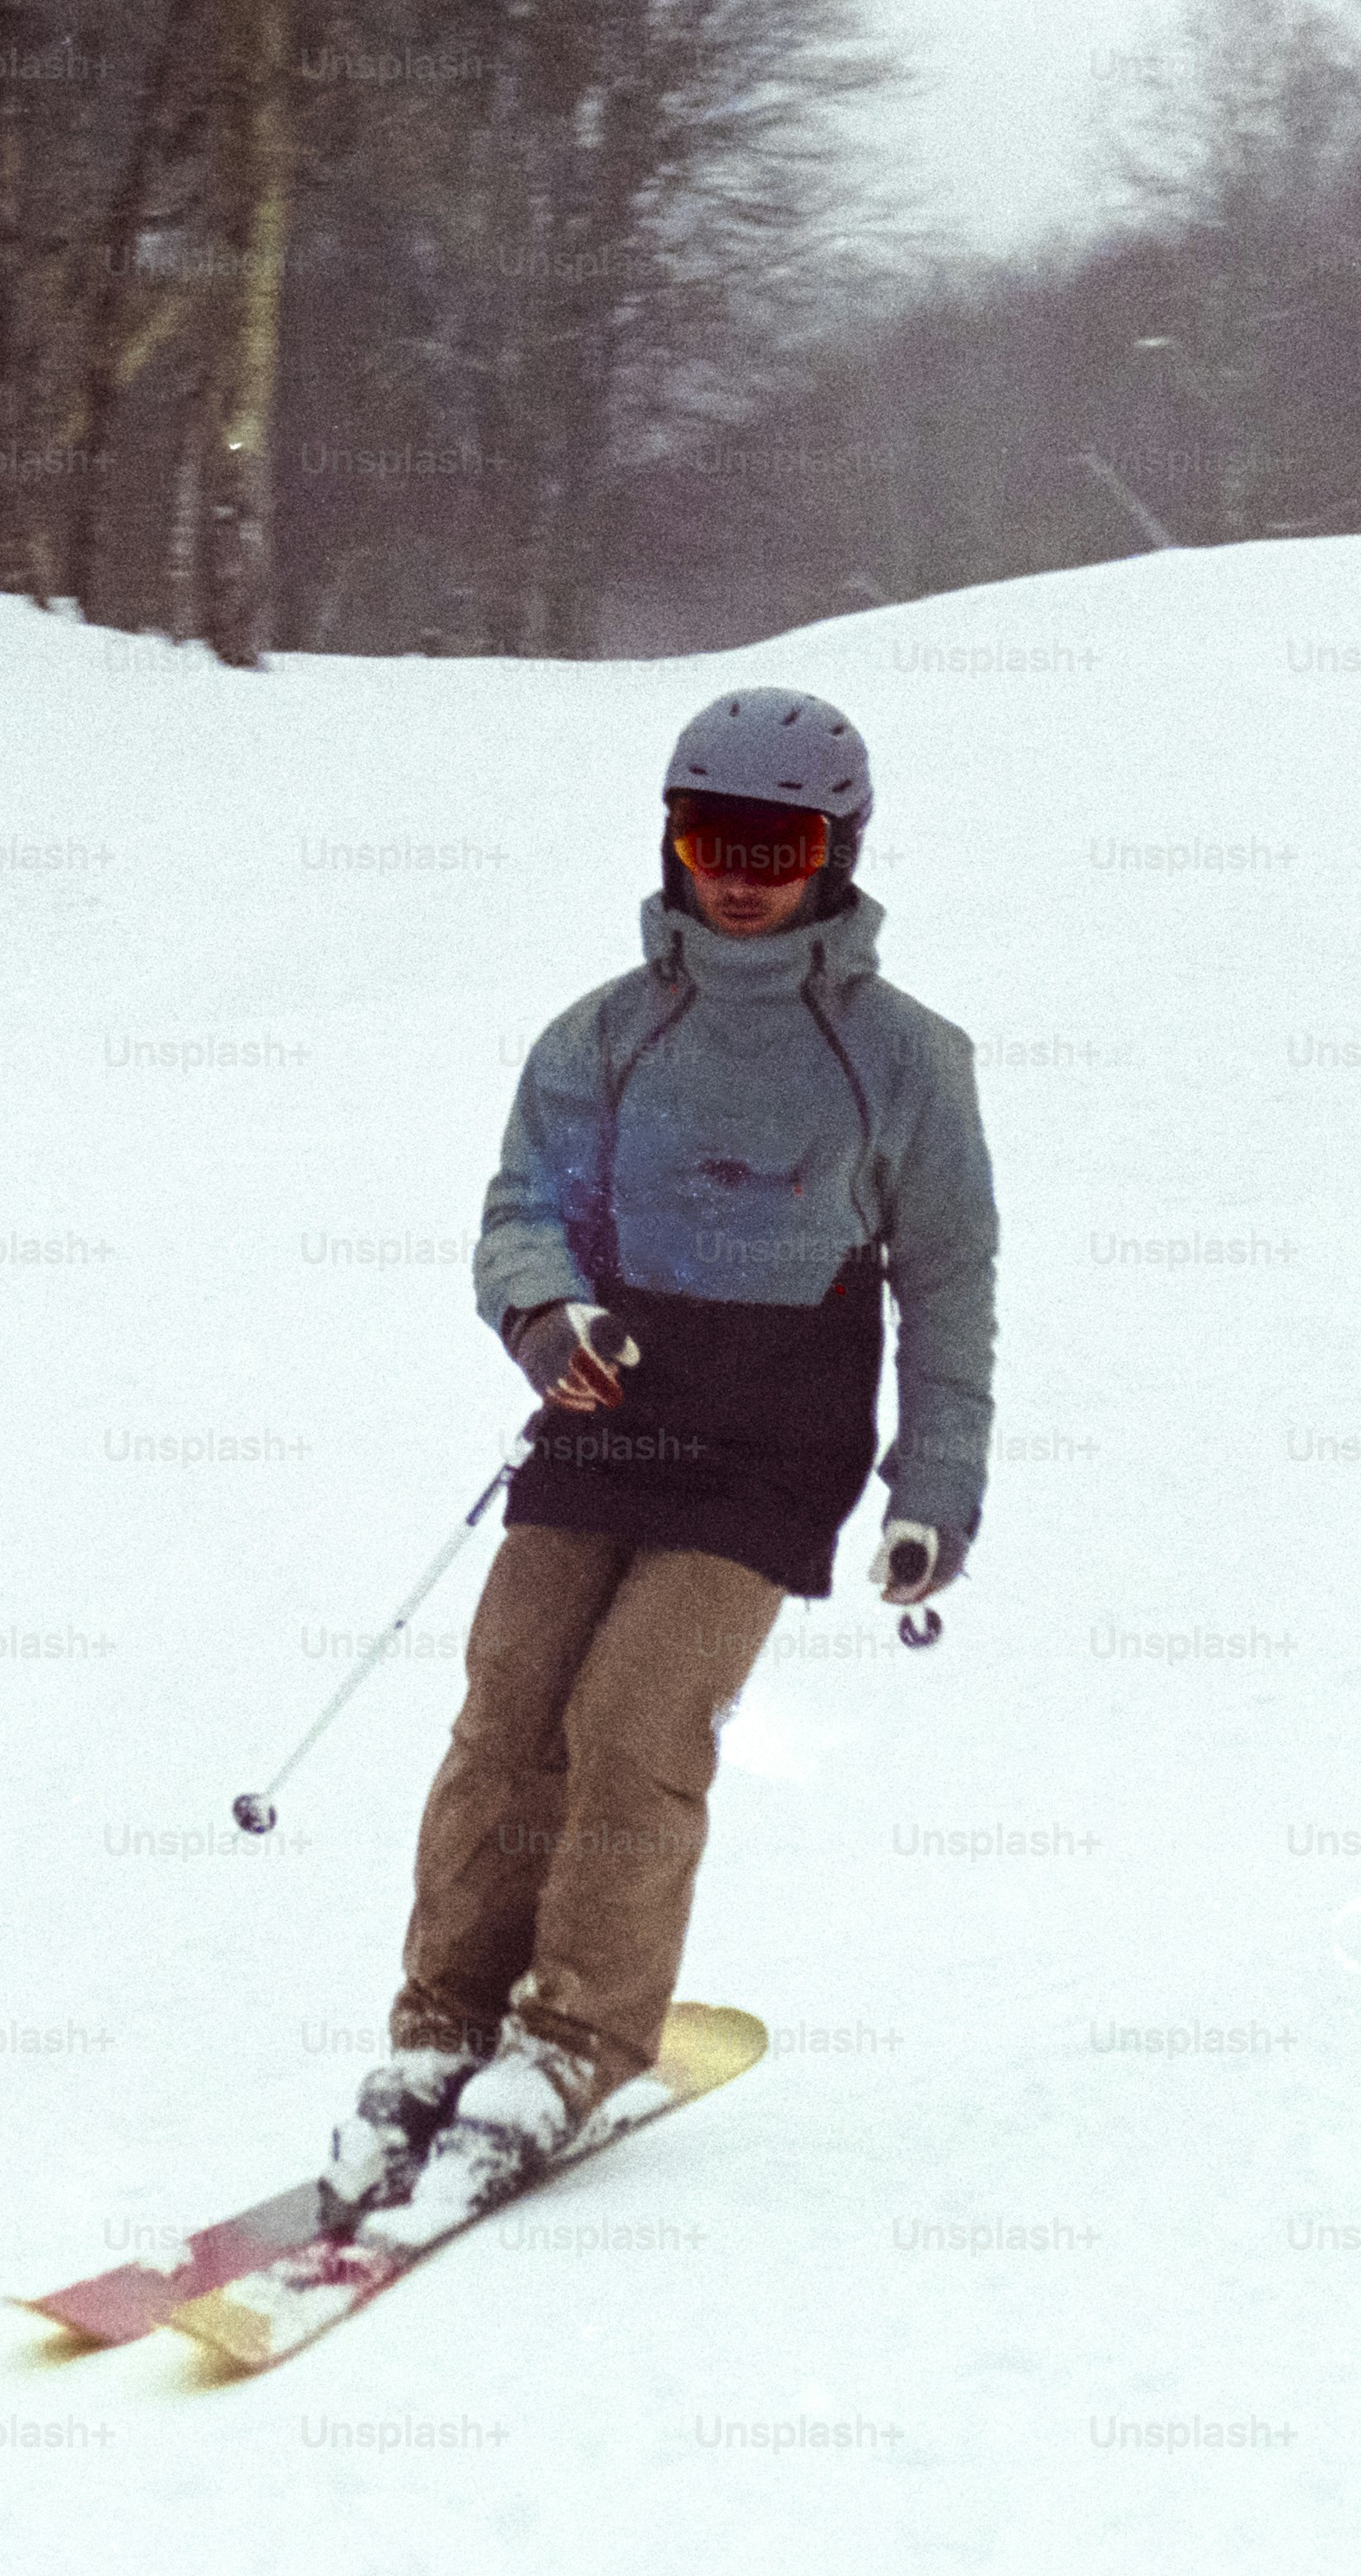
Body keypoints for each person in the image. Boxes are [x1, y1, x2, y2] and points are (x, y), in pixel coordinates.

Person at [319, 686, 1000, 2231]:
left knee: (633, 1713)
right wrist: (540, 1311)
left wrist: (931, 1490)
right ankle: (442, 2019)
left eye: (779, 842)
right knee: (513, 1699)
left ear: (835, 850)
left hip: (777, 1437)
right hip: (608, 1410)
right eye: (712, 836)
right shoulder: (608, 1033)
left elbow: (947, 1279)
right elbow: (522, 1210)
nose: (741, 873)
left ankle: (572, 2040)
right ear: (672, 838)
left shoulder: (903, 1060)